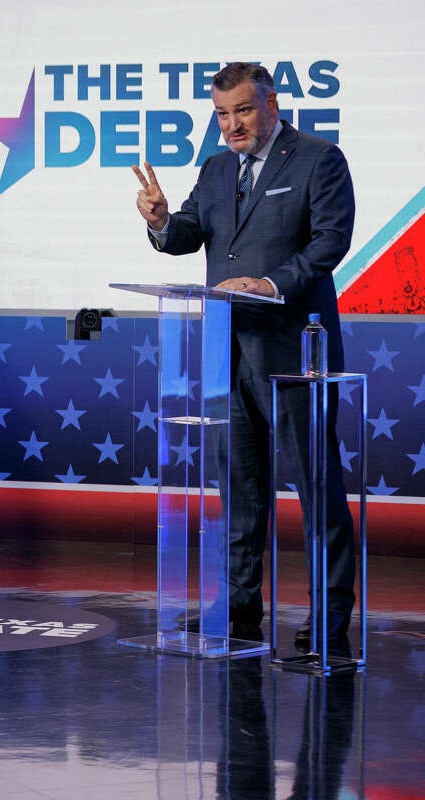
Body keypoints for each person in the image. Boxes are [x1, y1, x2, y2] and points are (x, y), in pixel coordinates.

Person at [132, 61, 356, 645]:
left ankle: (330, 615)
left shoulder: (318, 158)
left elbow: (330, 240)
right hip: (223, 354)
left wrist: (271, 283)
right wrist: (159, 222)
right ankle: (237, 608)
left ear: (271, 103)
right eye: (222, 115)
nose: (232, 125)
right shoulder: (214, 169)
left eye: (242, 111)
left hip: (294, 351)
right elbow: (186, 234)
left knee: (315, 482)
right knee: (238, 486)